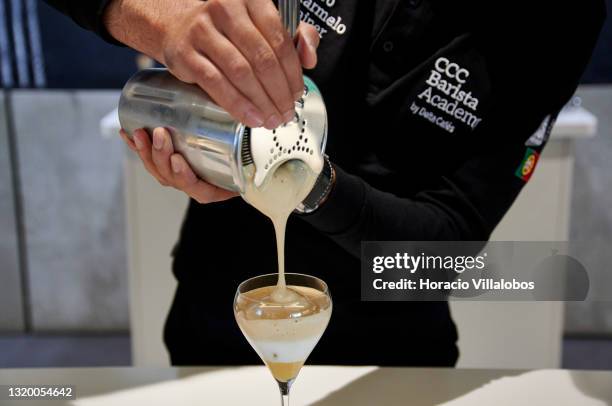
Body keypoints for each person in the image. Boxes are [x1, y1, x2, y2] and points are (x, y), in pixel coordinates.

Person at [45, 0, 605, 366]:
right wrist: (149, 15)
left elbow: (448, 249)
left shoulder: (557, 18)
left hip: (391, 360)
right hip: (219, 326)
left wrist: (305, 180)